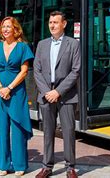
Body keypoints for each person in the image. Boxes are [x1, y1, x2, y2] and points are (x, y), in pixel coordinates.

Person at [34, 11, 81, 178]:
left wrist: (58, 91)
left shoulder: (73, 44)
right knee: (48, 131)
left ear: (64, 24)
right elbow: (37, 71)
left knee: (68, 131)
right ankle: (47, 166)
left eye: (55, 22)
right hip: (46, 94)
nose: (52, 25)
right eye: (50, 22)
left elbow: (76, 71)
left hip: (66, 95)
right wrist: (47, 92)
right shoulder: (42, 44)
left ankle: (70, 168)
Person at [0, 17, 34, 176]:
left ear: (16, 29)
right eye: (3, 27)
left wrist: (9, 87)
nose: (5, 29)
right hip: (0, 92)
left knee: (17, 128)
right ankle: (4, 165)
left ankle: (20, 165)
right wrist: (1, 88)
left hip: (16, 92)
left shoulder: (23, 47)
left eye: (9, 26)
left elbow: (24, 71)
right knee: (2, 129)